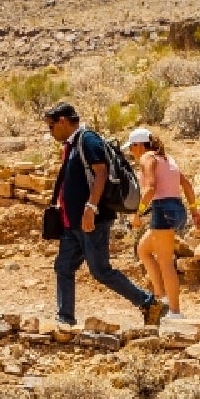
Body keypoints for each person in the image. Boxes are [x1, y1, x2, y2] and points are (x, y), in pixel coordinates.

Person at [45, 101, 165, 328]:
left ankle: (149, 303)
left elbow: (101, 174)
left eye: (51, 126)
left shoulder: (87, 140)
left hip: (93, 221)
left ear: (62, 121)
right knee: (63, 266)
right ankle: (65, 318)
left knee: (100, 271)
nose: (50, 132)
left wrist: (90, 209)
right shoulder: (72, 146)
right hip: (73, 223)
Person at [126, 127, 200, 319]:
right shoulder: (167, 159)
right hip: (178, 210)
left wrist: (138, 213)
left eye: (131, 148)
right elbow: (186, 184)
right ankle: (162, 297)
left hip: (163, 210)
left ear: (139, 146)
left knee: (165, 262)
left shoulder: (147, 158)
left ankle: (175, 312)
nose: (131, 153)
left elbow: (151, 188)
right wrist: (194, 211)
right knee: (143, 250)